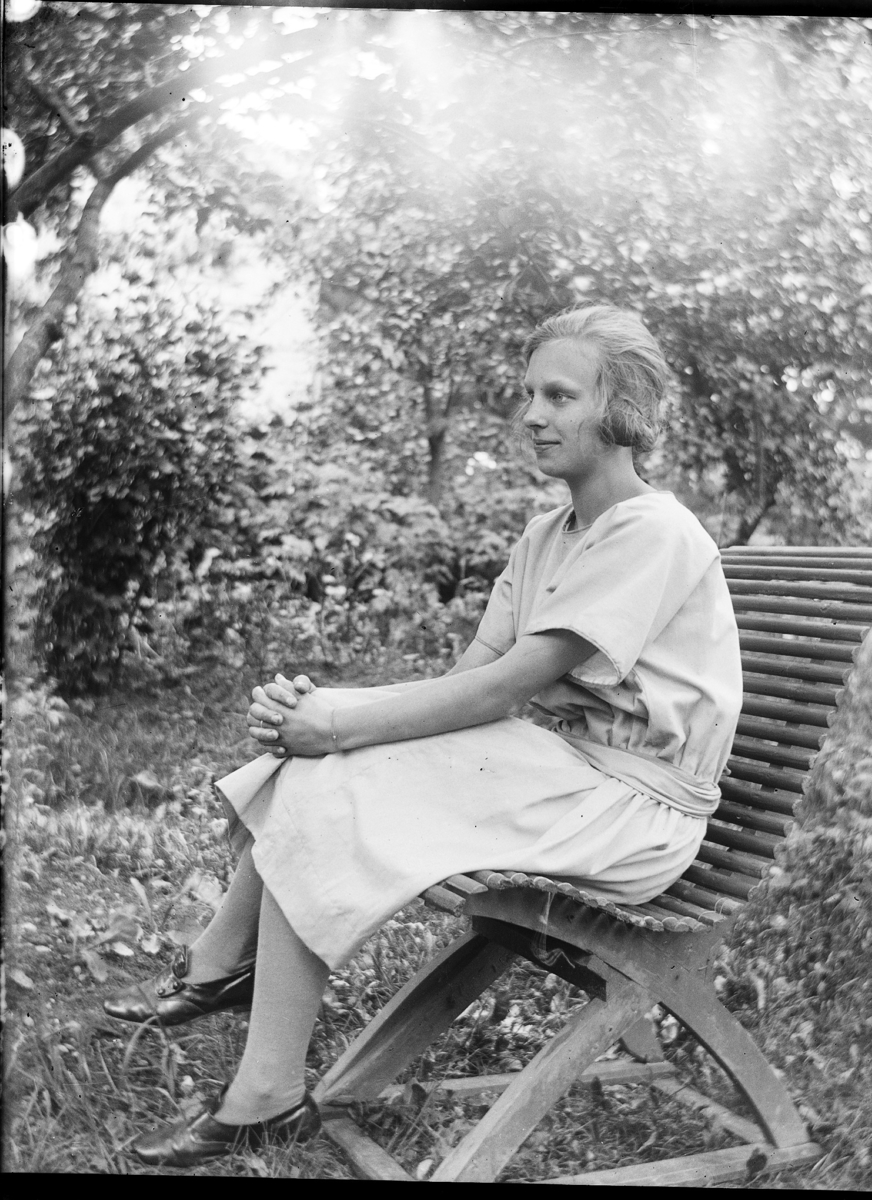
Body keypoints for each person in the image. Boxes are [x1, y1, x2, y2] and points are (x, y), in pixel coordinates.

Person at [103, 304, 743, 1168]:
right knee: (329, 758)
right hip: (570, 777)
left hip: (633, 813)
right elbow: (465, 677)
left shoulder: (653, 532)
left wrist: (338, 726)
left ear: (621, 409)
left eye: (559, 396)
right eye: (529, 394)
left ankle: (255, 1070)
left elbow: (507, 687)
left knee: (337, 766)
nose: (532, 415)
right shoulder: (546, 536)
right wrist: (324, 709)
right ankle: (226, 985)